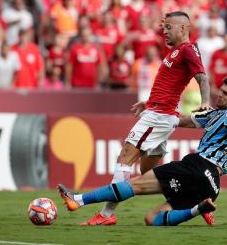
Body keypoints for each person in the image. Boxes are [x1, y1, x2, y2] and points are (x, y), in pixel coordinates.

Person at [58, 77, 227, 226]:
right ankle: (199, 209)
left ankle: (77, 200)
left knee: (133, 186)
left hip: (197, 166)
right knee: (152, 219)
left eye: (226, 94)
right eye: (221, 91)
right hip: (212, 185)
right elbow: (178, 121)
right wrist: (151, 106)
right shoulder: (212, 115)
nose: (220, 95)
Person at [80, 11, 212, 226]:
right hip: (156, 111)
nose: (165, 32)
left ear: (183, 28)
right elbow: (168, 84)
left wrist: (205, 101)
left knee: (125, 157)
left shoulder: (188, 49)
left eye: (169, 27)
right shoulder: (176, 51)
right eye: (164, 28)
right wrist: (149, 102)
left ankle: (106, 214)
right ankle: (193, 201)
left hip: (158, 116)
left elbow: (203, 78)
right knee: (147, 172)